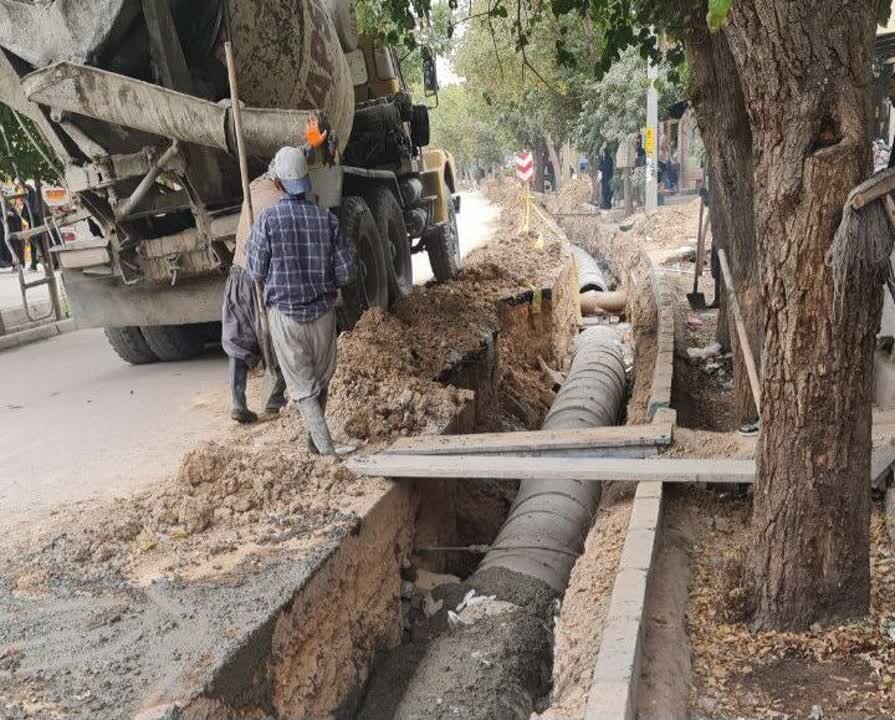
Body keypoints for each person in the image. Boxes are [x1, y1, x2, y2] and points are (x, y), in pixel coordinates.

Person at [245, 146, 354, 455]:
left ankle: (326, 451)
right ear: (306, 180)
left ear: (279, 182)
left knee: (303, 391)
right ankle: (316, 446)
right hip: (323, 316)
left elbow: (254, 269)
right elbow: (345, 273)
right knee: (319, 382)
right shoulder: (327, 220)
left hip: (287, 318)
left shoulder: (266, 221)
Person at [222, 167, 288, 424]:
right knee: (275, 334)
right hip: (260, 278)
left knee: (237, 340)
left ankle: (238, 402)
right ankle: (276, 398)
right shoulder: (282, 201)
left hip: (237, 275)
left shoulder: (254, 188)